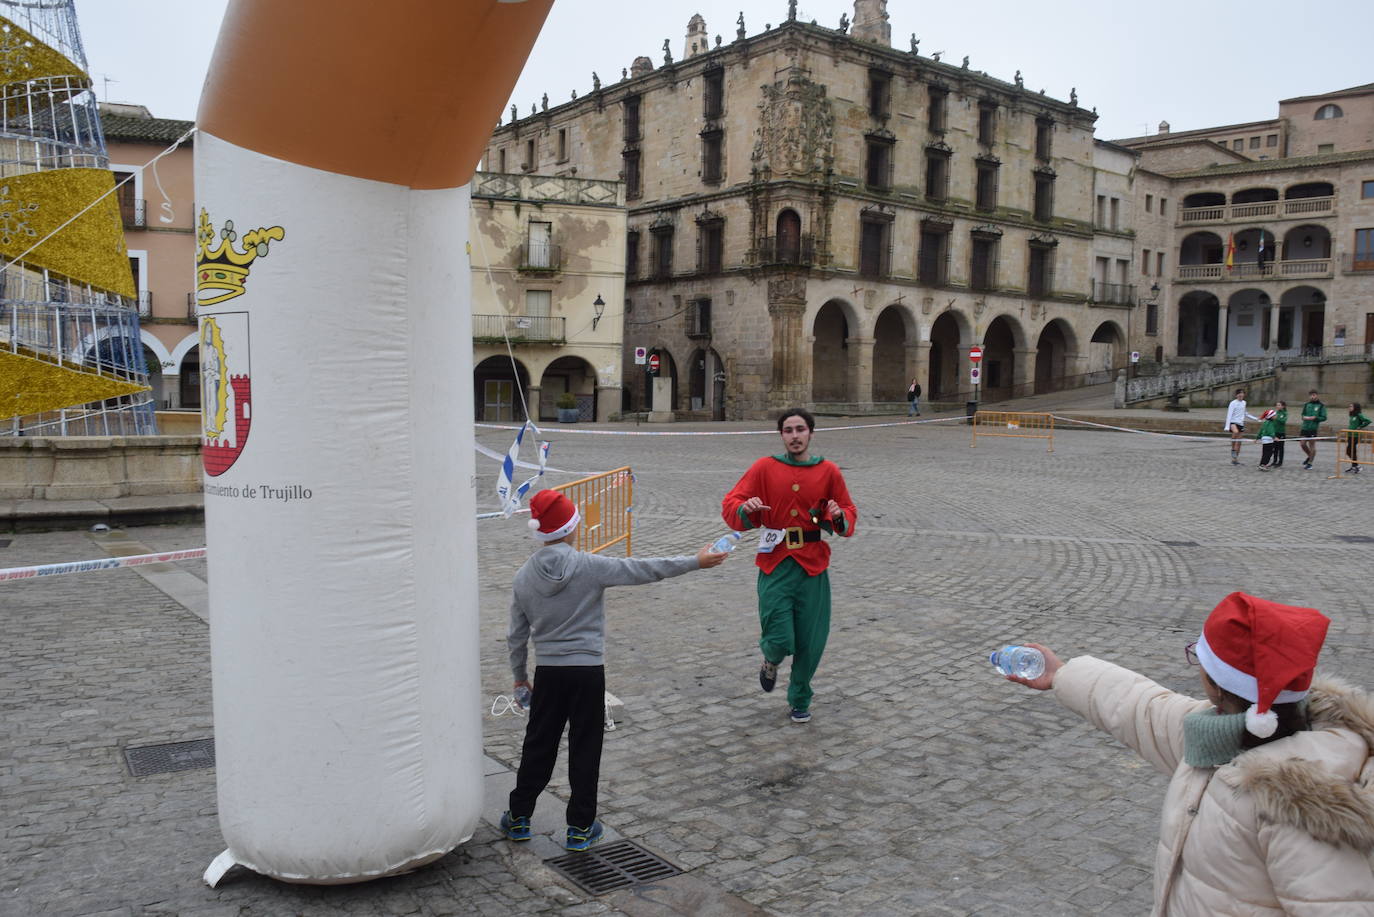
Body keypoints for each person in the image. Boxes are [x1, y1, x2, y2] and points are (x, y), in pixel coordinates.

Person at [1006, 592, 1374, 914]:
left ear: (1216, 683)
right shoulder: (1212, 737)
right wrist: (1062, 675)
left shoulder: (1301, 805)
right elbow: (1142, 708)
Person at [501, 489, 728, 850]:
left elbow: (516, 635)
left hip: (550, 672)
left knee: (539, 745)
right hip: (588, 671)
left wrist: (519, 676)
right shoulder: (591, 566)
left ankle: (519, 817)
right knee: (586, 747)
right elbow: (644, 569)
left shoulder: (523, 577)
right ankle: (580, 827)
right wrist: (695, 561)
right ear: (572, 527)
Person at [721, 408, 857, 724]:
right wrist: (746, 507)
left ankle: (799, 698)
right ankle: (771, 658)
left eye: (800, 429)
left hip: (812, 564)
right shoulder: (764, 468)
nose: (794, 436)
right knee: (779, 635)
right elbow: (731, 503)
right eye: (788, 430)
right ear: (781, 436)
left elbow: (847, 512)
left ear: (810, 433)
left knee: (811, 639)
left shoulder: (829, 471)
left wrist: (837, 516)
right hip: (775, 562)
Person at [1223, 388, 1258, 466]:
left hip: (1240, 423)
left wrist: (1255, 418)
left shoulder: (1244, 403)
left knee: (1239, 442)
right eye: (1239, 393)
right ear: (1236, 395)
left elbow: (1245, 413)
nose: (1241, 395)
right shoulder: (1233, 403)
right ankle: (1233, 448)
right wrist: (1227, 426)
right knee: (1235, 433)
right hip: (1233, 422)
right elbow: (1229, 414)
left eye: (1242, 393)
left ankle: (1235, 459)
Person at [1299, 389, 1327, 470]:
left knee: (1312, 445)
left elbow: (1324, 417)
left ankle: (1310, 463)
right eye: (1311, 395)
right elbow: (1302, 415)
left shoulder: (1321, 406)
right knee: (1302, 444)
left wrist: (1316, 418)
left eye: (1314, 395)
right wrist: (1304, 417)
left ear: (1317, 395)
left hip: (1313, 428)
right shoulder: (1307, 404)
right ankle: (1309, 456)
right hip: (1304, 427)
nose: (1312, 396)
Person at [1345, 402, 1371, 474]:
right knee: (1351, 451)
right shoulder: (1352, 415)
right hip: (1350, 435)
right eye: (1349, 406)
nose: (1349, 408)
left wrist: (1360, 427)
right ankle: (1354, 466)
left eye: (1351, 406)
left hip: (1355, 436)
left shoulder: (1359, 415)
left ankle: (1356, 466)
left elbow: (1368, 421)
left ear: (1355, 408)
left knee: (1350, 451)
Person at [1271, 399, 1288, 468]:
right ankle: (1274, 461)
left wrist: (1277, 418)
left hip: (1281, 433)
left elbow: (1283, 421)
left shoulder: (1285, 413)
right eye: (1277, 405)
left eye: (1279, 405)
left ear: (1283, 406)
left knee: (1281, 448)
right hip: (1275, 432)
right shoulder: (1275, 413)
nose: (1277, 406)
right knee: (1275, 447)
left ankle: (1280, 462)